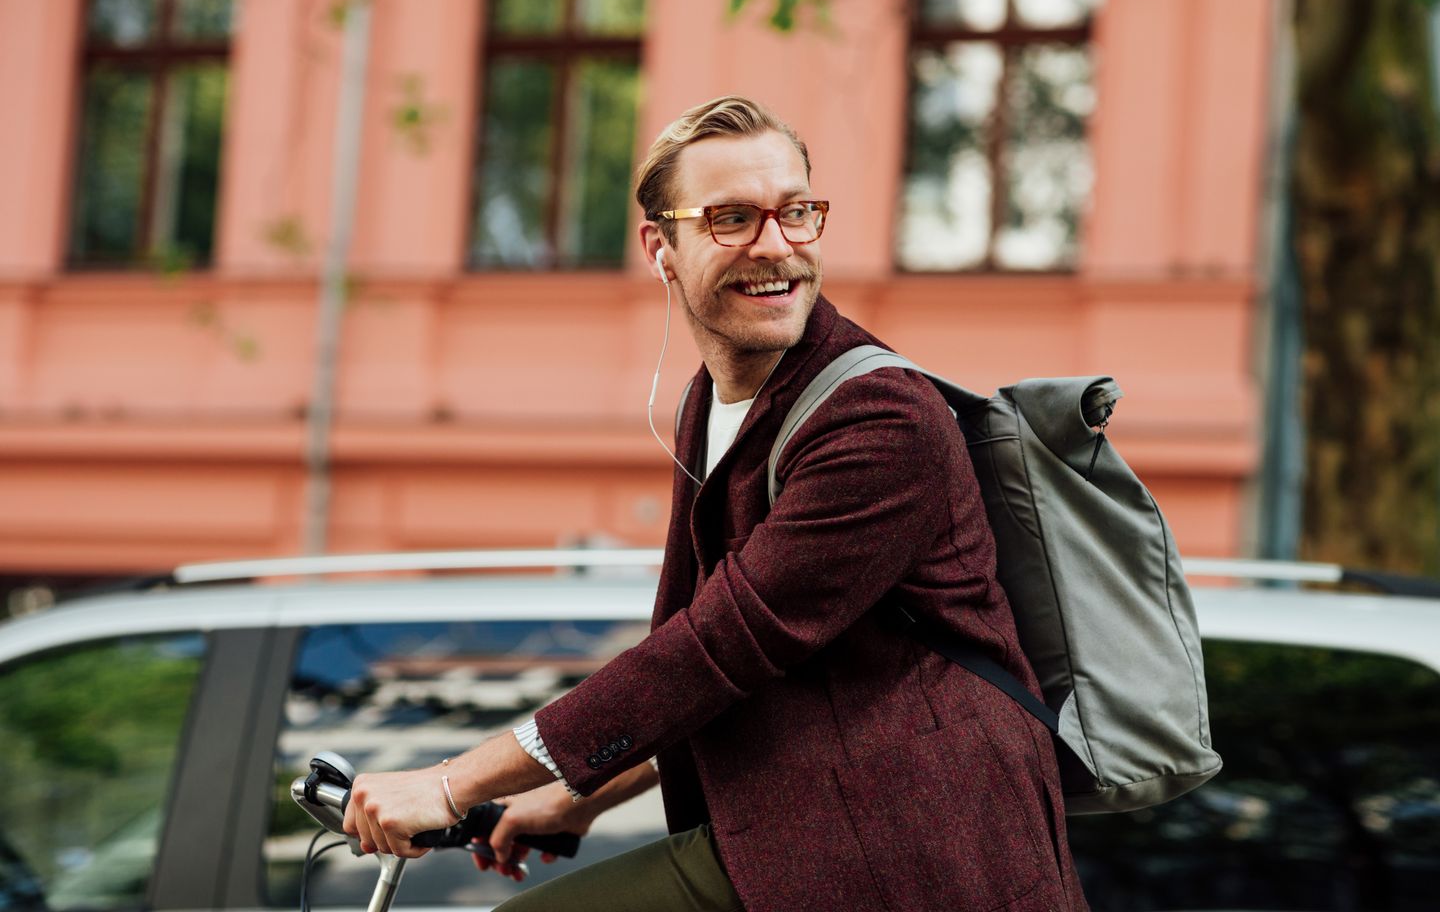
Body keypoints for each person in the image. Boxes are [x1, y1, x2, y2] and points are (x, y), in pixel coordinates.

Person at [343, 95, 1089, 912]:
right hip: (812, 837)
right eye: (731, 218)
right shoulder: (716, 398)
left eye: (796, 213)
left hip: (920, 854)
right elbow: (722, 664)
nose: (776, 248)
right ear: (660, 247)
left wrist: (451, 783)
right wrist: (585, 792)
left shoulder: (882, 421)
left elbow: (716, 648)